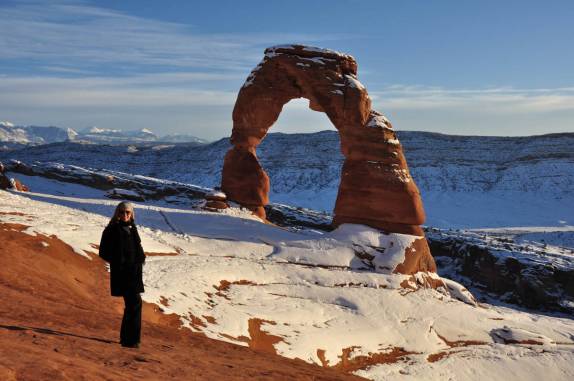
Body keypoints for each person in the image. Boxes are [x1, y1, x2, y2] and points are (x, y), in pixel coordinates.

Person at [99, 202, 146, 348]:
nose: (124, 215)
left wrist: (141, 258)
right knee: (135, 303)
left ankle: (128, 339)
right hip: (123, 273)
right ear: (117, 213)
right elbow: (103, 252)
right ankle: (130, 340)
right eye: (122, 212)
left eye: (127, 212)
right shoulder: (111, 229)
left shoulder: (132, 228)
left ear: (132, 214)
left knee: (132, 304)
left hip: (134, 273)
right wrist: (119, 261)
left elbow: (136, 247)